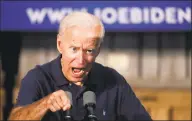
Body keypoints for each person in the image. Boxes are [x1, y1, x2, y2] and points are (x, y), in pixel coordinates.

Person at [8, 11, 152, 121]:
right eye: (74, 49)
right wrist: (44, 104)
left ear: (98, 50)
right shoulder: (38, 78)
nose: (81, 60)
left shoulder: (113, 80)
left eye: (89, 51)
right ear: (60, 45)